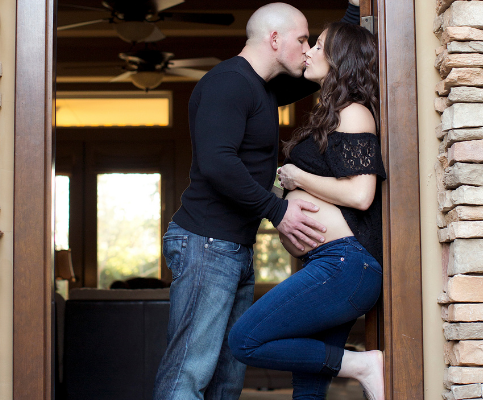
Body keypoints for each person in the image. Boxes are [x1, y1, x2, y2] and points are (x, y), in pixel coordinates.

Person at [152, 2, 361, 400]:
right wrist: (278, 210)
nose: (307, 49)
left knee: (227, 381)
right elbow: (218, 163)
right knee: (188, 375)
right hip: (206, 244)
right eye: (303, 40)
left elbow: (319, 70)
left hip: (231, 248)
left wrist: (353, 11)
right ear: (275, 38)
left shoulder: (262, 88)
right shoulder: (228, 82)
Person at [228, 20, 386, 400]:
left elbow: (361, 194)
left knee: (244, 340)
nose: (308, 52)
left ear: (341, 59)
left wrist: (297, 176)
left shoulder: (354, 113)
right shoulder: (332, 113)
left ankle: (363, 365)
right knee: (309, 389)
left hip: (345, 265)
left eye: (317, 45)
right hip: (331, 264)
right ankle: (358, 365)